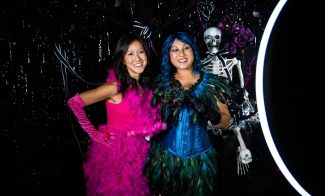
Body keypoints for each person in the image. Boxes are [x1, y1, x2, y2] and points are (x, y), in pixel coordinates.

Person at [67, 33, 166, 196]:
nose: (138, 58)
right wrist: (95, 134)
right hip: (117, 161)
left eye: (141, 52)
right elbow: (74, 103)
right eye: (130, 53)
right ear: (123, 59)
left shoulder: (146, 89)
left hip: (140, 158)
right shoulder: (114, 88)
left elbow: (139, 125)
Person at [144, 32, 231, 195]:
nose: (181, 54)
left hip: (199, 163)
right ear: (168, 55)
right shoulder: (161, 84)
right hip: (165, 160)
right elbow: (148, 122)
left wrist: (211, 114)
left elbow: (226, 121)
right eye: (174, 50)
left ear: (194, 51)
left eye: (186, 47)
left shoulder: (210, 84)